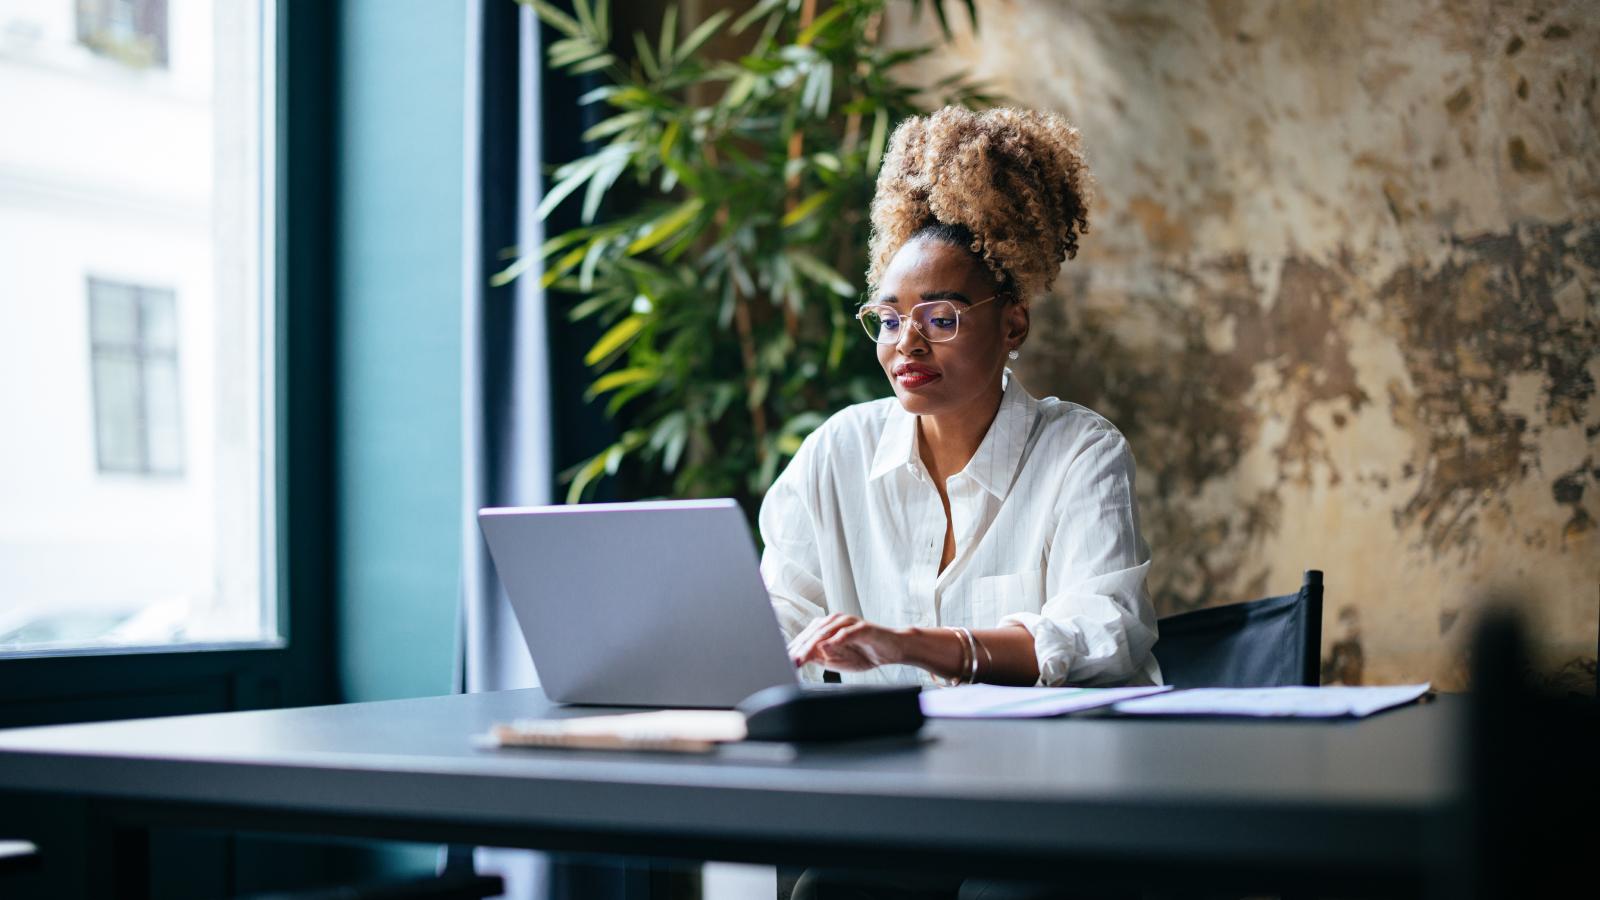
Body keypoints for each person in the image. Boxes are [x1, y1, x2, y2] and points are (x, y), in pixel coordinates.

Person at [760, 106, 1161, 698]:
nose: (907, 343)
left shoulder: (1080, 453)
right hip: (885, 774)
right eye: (890, 319)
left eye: (941, 318)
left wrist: (912, 645)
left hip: (1043, 772)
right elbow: (777, 618)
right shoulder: (836, 452)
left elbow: (1102, 629)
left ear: (1013, 327)